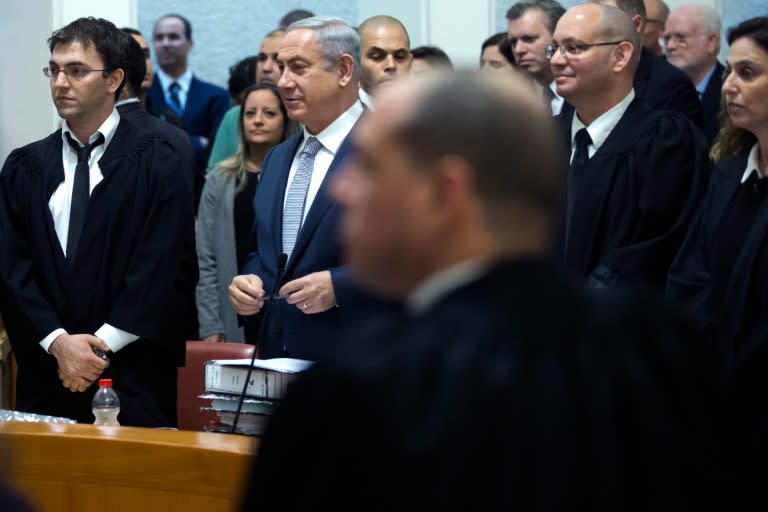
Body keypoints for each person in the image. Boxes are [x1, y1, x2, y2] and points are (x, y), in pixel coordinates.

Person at [239, 70, 715, 511]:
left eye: (369, 167)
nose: (342, 188)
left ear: (446, 192)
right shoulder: (662, 347)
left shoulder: (362, 390)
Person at [0, 17, 197, 427]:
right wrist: (59, 345)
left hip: (134, 375)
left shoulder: (160, 157)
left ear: (113, 80)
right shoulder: (25, 166)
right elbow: (12, 269)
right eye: (53, 70)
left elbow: (163, 266)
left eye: (76, 71)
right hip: (47, 372)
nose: (60, 83)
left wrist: (97, 348)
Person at [228, 17, 381, 360]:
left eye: (298, 67)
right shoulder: (277, 158)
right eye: (281, 67)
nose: (282, 82)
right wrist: (248, 283)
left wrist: (340, 287)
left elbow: (420, 258)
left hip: (361, 360)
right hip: (277, 358)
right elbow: (263, 252)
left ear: (344, 70)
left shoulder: (393, 148)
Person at [666, 16, 768, 505]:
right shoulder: (728, 175)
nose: (730, 85)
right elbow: (691, 279)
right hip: (717, 400)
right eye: (731, 71)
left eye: (749, 73)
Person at [550, 3, 709, 289]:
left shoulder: (665, 142)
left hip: (623, 322)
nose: (557, 61)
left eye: (573, 48)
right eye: (555, 48)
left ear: (620, 56)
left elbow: (659, 245)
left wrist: (583, 307)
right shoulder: (545, 138)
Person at [197, 84, 294, 343]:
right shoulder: (220, 178)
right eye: (250, 114)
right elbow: (205, 258)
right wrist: (210, 324)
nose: (258, 121)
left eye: (269, 113)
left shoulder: (296, 176)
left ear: (286, 118)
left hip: (286, 307)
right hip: (234, 309)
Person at [147, 14, 230, 203]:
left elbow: (217, 151)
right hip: (151, 195)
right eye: (159, 38)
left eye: (173, 37)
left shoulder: (215, 96)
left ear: (190, 43)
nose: (165, 43)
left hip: (200, 196)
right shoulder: (143, 96)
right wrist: (196, 142)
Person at [590, 0, 704, 130]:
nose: (591, 32)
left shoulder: (672, 86)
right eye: (588, 23)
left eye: (603, 22)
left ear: (635, 25)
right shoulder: (582, 75)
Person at [207, 30, 285, 170]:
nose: (266, 68)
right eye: (261, 58)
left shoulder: (306, 115)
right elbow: (215, 176)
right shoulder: (234, 116)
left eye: (277, 59)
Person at [664, 4, 724, 146]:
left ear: (711, 42)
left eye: (680, 38)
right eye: (667, 38)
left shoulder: (730, 91)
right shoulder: (657, 88)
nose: (670, 46)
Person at [506, 0, 566, 115]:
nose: (519, 50)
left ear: (558, 37)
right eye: (513, 42)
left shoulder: (586, 94)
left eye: (529, 39)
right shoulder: (510, 99)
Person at [357, 15, 412, 108]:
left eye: (400, 57)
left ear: (411, 62)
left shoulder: (428, 116)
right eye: (377, 57)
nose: (391, 65)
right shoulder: (338, 117)